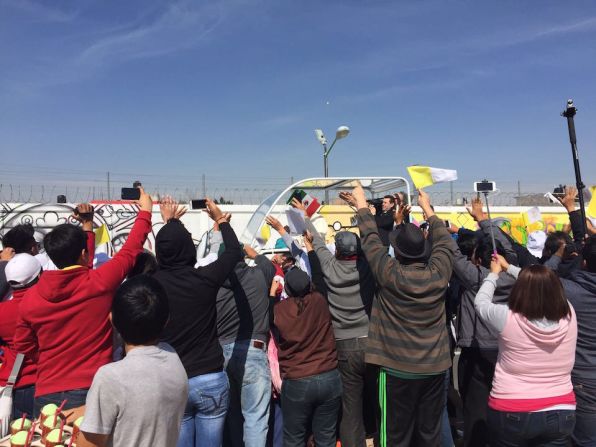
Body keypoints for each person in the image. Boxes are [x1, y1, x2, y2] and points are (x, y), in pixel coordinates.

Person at [13, 195, 152, 415]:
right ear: (84, 254)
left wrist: (49, 358)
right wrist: (145, 212)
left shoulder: (30, 298)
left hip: (46, 391)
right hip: (92, 387)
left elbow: (22, 344)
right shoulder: (100, 283)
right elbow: (131, 249)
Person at [341, 185, 454, 446]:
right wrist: (428, 209)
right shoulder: (439, 274)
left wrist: (360, 203)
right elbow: (445, 242)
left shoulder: (389, 274)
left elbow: (369, 237)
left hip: (395, 370)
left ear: (397, 252)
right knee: (429, 436)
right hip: (434, 369)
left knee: (393, 437)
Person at [152, 198, 242, 447]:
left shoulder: (151, 284)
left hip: (172, 378)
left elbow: (136, 254)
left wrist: (167, 223)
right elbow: (234, 252)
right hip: (209, 377)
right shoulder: (205, 278)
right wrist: (220, 219)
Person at [297, 201, 377, 447]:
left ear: (338, 251)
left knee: (350, 406)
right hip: (370, 341)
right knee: (376, 400)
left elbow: (317, 240)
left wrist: (303, 215)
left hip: (343, 343)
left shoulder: (330, 267)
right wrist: (364, 212)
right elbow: (374, 242)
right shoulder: (367, 268)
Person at [475, 257, 577, 446]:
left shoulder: (506, 316)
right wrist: (510, 268)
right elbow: (541, 284)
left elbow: (480, 303)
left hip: (512, 408)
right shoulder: (569, 314)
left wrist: (494, 274)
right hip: (562, 408)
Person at [77, 275, 188, 447]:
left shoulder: (110, 377)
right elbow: (134, 401)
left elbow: (89, 444)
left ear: (112, 320)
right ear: (166, 321)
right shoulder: (172, 357)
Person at [273, 268, 342, 447]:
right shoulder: (319, 301)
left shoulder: (280, 310)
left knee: (294, 438)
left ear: (287, 289)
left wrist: (272, 294)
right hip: (328, 376)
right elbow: (319, 274)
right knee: (326, 437)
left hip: (297, 380)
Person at [216, 239, 275, 447]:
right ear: (241, 257)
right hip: (254, 350)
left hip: (223, 353)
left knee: (232, 414)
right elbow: (270, 266)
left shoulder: (214, 284)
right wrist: (254, 254)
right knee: (255, 417)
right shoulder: (258, 275)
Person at [0, 254, 41, 421]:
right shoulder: (49, 306)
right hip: (47, 382)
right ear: (40, 275)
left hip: (16, 384)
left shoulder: (2, 312)